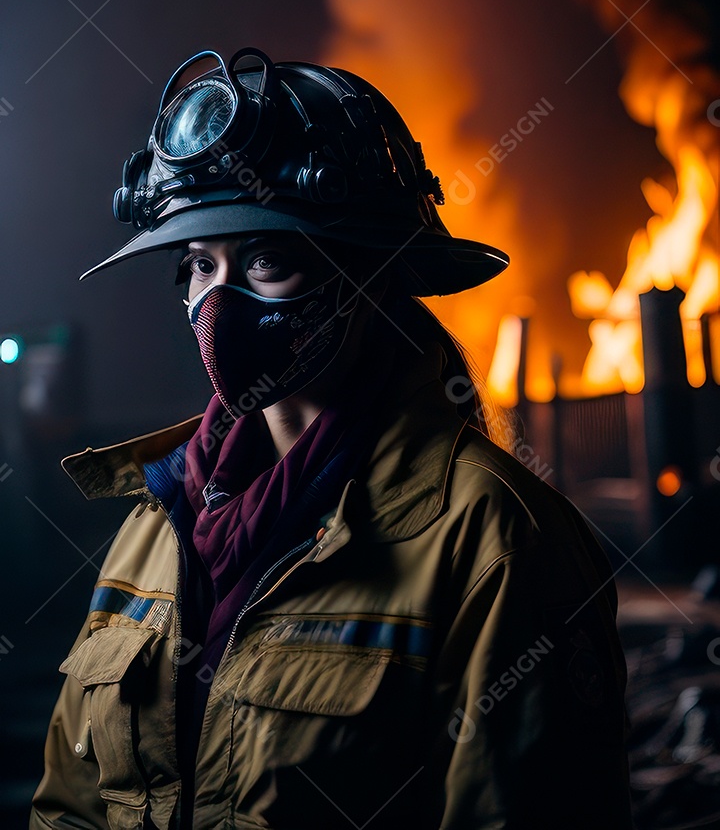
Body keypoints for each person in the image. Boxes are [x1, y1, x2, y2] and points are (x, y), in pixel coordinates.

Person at [30, 48, 634, 829]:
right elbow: (69, 808)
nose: (220, 304)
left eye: (271, 260)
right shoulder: (153, 525)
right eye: (199, 265)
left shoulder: (495, 539)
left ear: (371, 275)